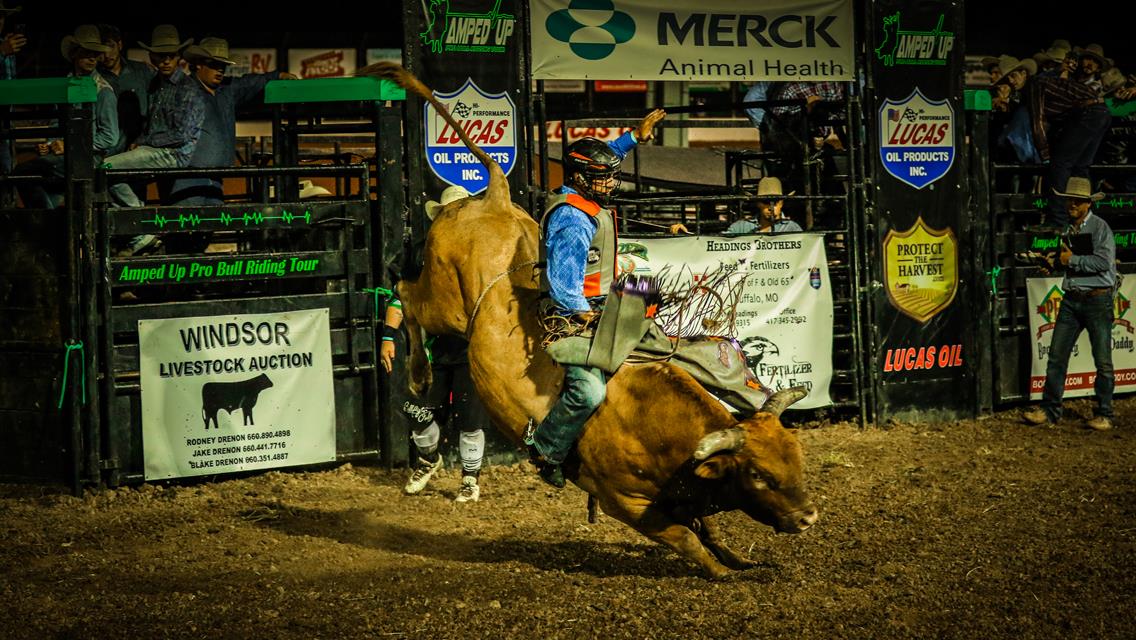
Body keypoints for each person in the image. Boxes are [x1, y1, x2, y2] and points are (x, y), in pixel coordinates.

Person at [523, 108, 666, 488]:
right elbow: (564, 284)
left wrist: (633, 137)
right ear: (581, 178)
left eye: (610, 176)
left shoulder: (583, 195)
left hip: (603, 297)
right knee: (588, 392)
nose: (610, 183)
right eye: (603, 179)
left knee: (657, 315)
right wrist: (589, 318)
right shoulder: (572, 220)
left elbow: (605, 160)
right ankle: (546, 448)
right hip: (574, 311)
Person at [383, 186, 489, 503]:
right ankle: (429, 460)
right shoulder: (421, 252)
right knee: (417, 412)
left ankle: (470, 480)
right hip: (436, 348)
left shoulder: (480, 249)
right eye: (448, 214)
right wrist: (389, 336)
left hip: (473, 348)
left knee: (470, 419)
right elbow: (403, 295)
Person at [1023, 177, 1117, 431]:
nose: (1071, 205)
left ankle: (1105, 413)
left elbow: (1103, 263)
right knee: (1056, 357)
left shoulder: (1100, 228)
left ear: (1087, 203)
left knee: (1102, 360)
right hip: (1074, 298)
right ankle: (1052, 410)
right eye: (1069, 200)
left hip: (1097, 299)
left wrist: (1069, 260)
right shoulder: (1070, 229)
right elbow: (1075, 261)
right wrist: (1053, 263)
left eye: (1077, 201)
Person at [101, 25, 203, 255]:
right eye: (161, 56)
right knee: (110, 172)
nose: (166, 61)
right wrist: (143, 140)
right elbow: (154, 123)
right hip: (157, 151)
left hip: (173, 154)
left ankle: (142, 230)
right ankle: (140, 232)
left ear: (178, 57)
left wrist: (145, 141)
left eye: (171, 56)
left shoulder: (187, 87)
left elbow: (181, 134)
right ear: (152, 57)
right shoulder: (156, 83)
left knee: (106, 168)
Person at [168, 37, 297, 207]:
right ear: (198, 64)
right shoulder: (184, 91)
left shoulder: (226, 90)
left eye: (223, 65)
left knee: (209, 224)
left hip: (216, 178)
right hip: (187, 177)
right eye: (214, 64)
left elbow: (249, 83)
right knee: (186, 225)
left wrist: (277, 75)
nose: (220, 70)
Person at [13, 25, 121, 209]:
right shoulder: (67, 85)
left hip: (89, 158)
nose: (92, 57)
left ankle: (47, 224)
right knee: (33, 177)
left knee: (23, 172)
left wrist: (69, 145)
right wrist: (50, 144)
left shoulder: (103, 91)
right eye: (87, 52)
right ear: (74, 54)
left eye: (95, 53)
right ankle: (52, 222)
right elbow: (58, 122)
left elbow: (110, 137)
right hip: (68, 157)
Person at [1031, 44, 1113, 227]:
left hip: (1090, 115)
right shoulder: (1069, 82)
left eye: (1094, 61)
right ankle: (1081, 220)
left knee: (1060, 164)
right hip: (1098, 115)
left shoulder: (1038, 84)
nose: (1089, 64)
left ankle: (1058, 222)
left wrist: (1044, 152)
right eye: (1087, 59)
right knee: (1080, 166)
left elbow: (1038, 120)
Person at [97, 24, 156, 147]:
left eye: (110, 46)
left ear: (120, 45)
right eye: (101, 50)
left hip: (140, 143)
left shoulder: (142, 71)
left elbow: (157, 105)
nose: (107, 55)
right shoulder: (96, 78)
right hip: (110, 145)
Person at [0, 1, 26, 176]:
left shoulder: (5, 43)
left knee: (8, 170)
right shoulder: (4, 46)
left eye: (1, 17)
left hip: (6, 117)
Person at [725, 176, 803, 235]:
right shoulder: (740, 228)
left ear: (781, 203)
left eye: (775, 202)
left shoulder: (792, 228)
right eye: (766, 202)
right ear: (758, 203)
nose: (770, 207)